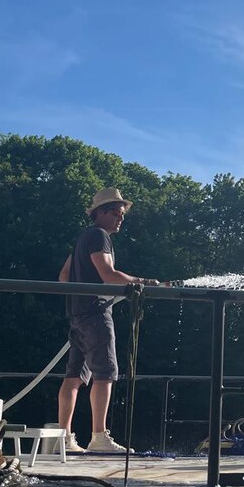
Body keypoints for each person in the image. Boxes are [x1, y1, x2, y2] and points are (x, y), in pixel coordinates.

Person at [57, 187, 162, 454]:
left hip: (78, 315)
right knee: (105, 374)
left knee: (73, 378)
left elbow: (63, 278)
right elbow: (109, 274)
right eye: (117, 212)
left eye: (122, 213)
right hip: (95, 314)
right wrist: (143, 282)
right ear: (101, 212)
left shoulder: (82, 240)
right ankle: (99, 437)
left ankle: (64, 439)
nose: (121, 218)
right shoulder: (99, 236)